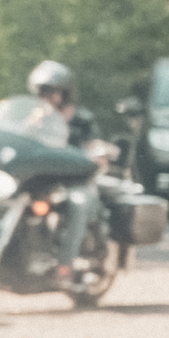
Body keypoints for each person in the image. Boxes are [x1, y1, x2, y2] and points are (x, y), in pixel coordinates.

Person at [28, 59, 111, 285]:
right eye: (43, 92)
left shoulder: (81, 120)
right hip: (40, 178)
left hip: (75, 180)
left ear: (66, 93)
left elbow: (94, 147)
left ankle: (64, 266)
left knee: (78, 203)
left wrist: (95, 152)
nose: (49, 97)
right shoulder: (31, 119)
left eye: (54, 92)